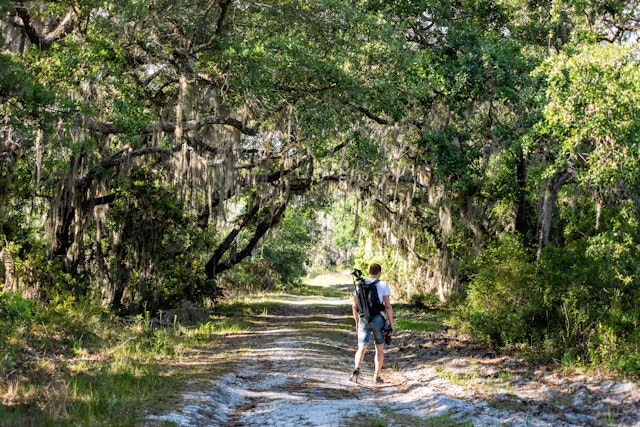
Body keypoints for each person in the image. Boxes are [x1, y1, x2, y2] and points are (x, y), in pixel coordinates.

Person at [350, 263, 395, 384]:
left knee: (362, 347)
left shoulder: (359, 285)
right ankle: (377, 376)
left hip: (364, 319)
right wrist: (391, 323)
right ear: (379, 273)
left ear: (369, 272)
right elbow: (387, 306)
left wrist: (357, 322)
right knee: (379, 348)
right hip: (378, 319)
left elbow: (354, 306)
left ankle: (356, 368)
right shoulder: (383, 284)